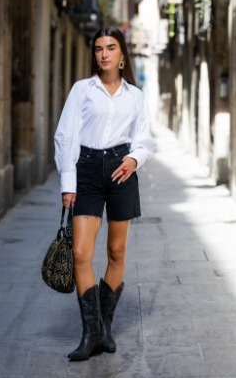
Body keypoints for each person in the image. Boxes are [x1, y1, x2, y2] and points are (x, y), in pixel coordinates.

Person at [54, 27, 155, 361]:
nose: (104, 54)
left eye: (111, 48)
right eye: (99, 49)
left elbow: (144, 138)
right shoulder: (82, 90)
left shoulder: (135, 96)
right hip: (87, 170)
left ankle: (105, 328)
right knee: (81, 253)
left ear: (122, 54)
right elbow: (66, 134)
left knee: (116, 251)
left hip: (121, 171)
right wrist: (68, 182)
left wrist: (134, 158)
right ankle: (91, 332)